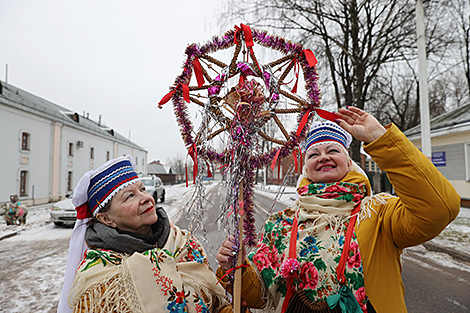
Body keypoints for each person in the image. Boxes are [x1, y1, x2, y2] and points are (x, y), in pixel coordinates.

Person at [216, 107, 461, 313]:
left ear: (349, 162)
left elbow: (440, 208)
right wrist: (234, 267)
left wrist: (380, 139)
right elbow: (259, 295)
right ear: (306, 168)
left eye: (333, 150)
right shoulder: (280, 224)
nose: (323, 157)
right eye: (313, 153)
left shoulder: (378, 213)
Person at [58, 155, 231, 313]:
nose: (146, 198)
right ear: (106, 218)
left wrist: (230, 274)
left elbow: (216, 304)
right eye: (130, 196)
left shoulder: (184, 243)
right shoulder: (98, 279)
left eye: (142, 189)